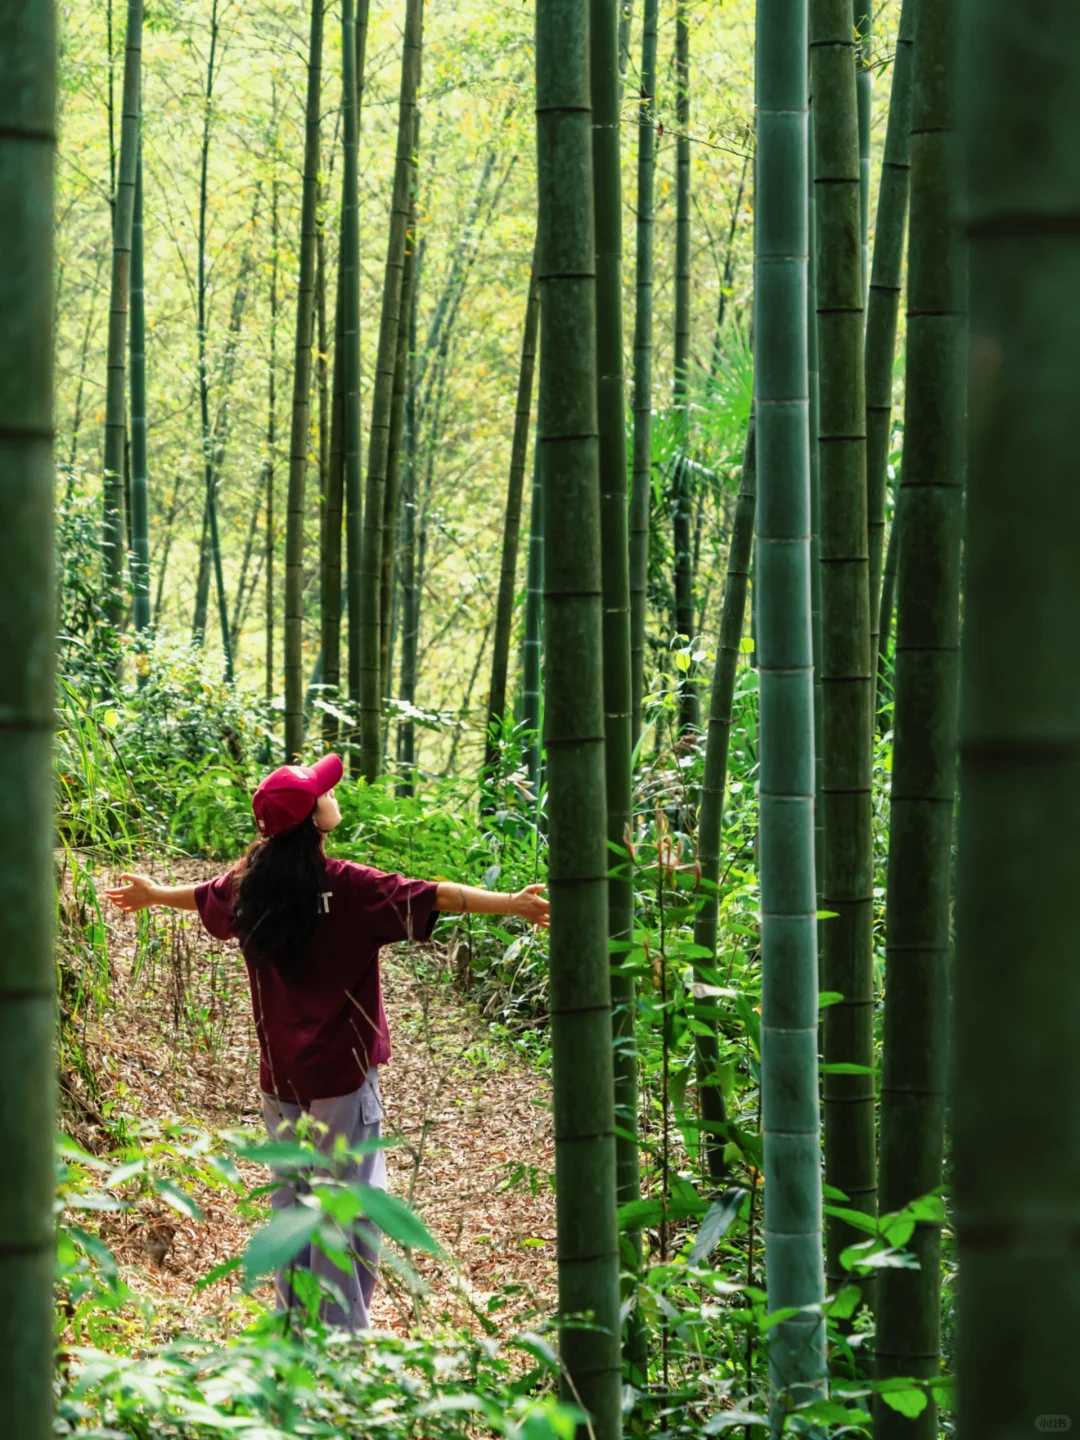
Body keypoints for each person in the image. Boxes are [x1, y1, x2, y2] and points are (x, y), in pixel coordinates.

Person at [105, 752, 548, 1330]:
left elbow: (203, 894)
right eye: (324, 794)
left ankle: (295, 1329)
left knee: (292, 1204)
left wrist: (155, 893)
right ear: (313, 820)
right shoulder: (350, 886)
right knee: (346, 1206)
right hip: (342, 1076)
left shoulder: (250, 888)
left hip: (281, 1078)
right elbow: (435, 895)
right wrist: (510, 904)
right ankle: (341, 1341)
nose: (332, 796)